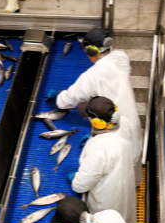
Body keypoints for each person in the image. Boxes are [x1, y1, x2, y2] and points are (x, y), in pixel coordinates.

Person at [45, 28, 143, 186]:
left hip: (113, 127)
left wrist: (59, 97)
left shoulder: (91, 76)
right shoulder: (121, 57)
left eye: (86, 50)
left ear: (92, 51)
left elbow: (67, 101)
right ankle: (135, 184)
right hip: (130, 120)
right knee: (132, 159)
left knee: (115, 168)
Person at [68, 96, 137, 223]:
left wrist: (75, 179)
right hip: (123, 185)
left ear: (96, 123)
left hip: (107, 202)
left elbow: (81, 186)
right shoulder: (124, 122)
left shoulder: (99, 148)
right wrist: (94, 136)